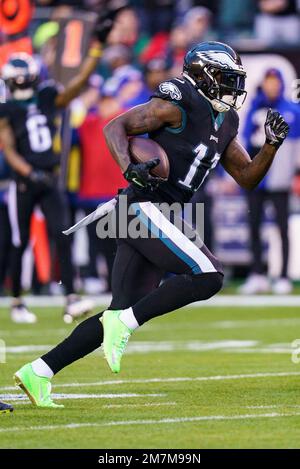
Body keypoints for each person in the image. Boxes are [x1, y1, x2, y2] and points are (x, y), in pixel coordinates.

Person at [14, 42, 289, 408]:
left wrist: (271, 145)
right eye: (226, 79)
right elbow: (116, 127)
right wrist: (130, 167)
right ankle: (124, 324)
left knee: (121, 309)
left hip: (156, 212)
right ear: (204, 76)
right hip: (143, 205)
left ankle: (39, 371)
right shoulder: (180, 99)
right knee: (209, 274)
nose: (233, 89)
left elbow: (247, 176)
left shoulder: (228, 121)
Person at [0, 4, 123, 323]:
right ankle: (16, 302)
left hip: (50, 177)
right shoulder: (7, 110)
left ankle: (70, 297)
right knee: (20, 240)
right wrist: (29, 172)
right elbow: (9, 148)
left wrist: (96, 50)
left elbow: (77, 84)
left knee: (63, 233)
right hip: (25, 181)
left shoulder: (45, 98)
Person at [239, 68, 300, 294]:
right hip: (257, 176)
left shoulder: (292, 110)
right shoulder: (255, 108)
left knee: (282, 227)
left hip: (280, 177)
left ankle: (283, 275)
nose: (271, 86)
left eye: (275, 82)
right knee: (253, 225)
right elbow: (243, 141)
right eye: (268, 82)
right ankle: (257, 273)